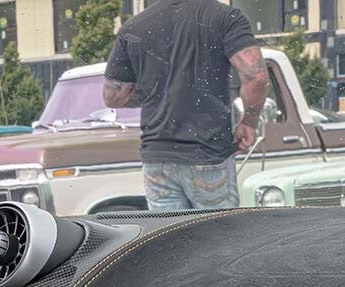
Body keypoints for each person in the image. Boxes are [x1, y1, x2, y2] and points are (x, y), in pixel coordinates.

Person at [103, 0, 269, 211]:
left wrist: (155, 94)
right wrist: (249, 122)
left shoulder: (134, 26)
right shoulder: (225, 18)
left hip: (157, 157)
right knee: (218, 231)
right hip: (207, 152)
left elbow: (112, 96)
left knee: (170, 232)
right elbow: (256, 77)